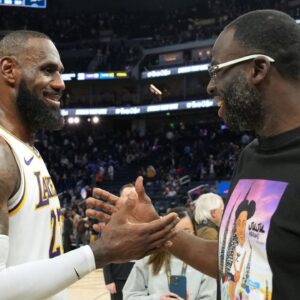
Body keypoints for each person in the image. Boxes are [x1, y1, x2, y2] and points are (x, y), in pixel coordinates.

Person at [86, 10, 300, 299]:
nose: (211, 85)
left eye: (216, 70)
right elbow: (234, 261)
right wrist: (158, 231)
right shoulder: (250, 157)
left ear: (258, 69)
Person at [0, 30, 179, 300]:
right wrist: (98, 253)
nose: (60, 84)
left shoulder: (27, 150)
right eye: (48, 70)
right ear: (8, 70)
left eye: (60, 72)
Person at [123, 206, 216, 300]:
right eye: (173, 232)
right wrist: (157, 299)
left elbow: (210, 297)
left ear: (194, 232)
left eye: (186, 232)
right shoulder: (149, 259)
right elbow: (129, 296)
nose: (180, 238)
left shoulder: (204, 261)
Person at [103, 184, 136, 300]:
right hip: (119, 279)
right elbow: (105, 252)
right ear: (120, 199)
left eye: (134, 195)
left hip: (140, 277)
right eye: (127, 196)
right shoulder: (112, 221)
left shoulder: (145, 219)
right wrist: (108, 280)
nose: (131, 198)